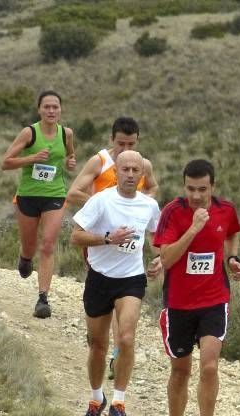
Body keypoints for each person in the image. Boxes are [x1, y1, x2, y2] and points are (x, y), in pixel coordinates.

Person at [152, 159, 240, 416]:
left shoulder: (226, 210)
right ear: (184, 187)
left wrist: (232, 259)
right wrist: (193, 228)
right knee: (181, 372)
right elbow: (166, 258)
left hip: (213, 299)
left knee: (209, 366)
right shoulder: (172, 213)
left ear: (212, 187)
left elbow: (231, 234)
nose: (195, 195)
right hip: (179, 303)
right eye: (190, 189)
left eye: (202, 189)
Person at [70, 151, 161, 416]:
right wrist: (108, 239)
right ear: (117, 172)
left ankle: (119, 403)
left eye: (136, 170)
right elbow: (75, 236)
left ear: (142, 175)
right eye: (126, 169)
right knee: (97, 345)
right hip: (100, 278)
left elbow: (159, 237)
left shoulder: (149, 205)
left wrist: (159, 259)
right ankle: (96, 400)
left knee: (127, 337)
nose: (131, 174)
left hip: (131, 279)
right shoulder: (101, 200)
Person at [67, 116, 158, 381]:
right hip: (98, 233)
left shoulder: (143, 164)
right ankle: (101, 342)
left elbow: (153, 187)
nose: (125, 149)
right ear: (111, 140)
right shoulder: (100, 162)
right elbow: (73, 194)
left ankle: (119, 354)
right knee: (104, 290)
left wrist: (139, 204)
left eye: (131, 143)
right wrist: (103, 204)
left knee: (126, 313)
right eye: (121, 143)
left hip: (130, 240)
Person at [1, 90, 76, 318]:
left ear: (61, 109)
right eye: (47, 107)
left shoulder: (67, 134)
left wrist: (70, 163)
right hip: (28, 195)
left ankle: (43, 298)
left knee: (48, 245)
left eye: (55, 107)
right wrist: (31, 158)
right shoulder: (29, 133)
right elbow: (5, 163)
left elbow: (70, 157)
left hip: (55, 194)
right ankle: (25, 259)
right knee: (30, 246)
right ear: (39, 110)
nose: (51, 111)